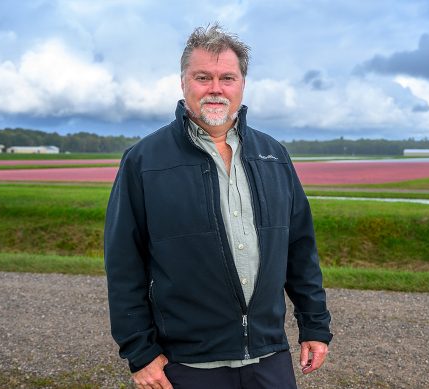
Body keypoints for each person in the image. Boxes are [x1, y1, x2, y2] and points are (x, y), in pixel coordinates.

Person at [104, 23, 333, 389]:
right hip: (188, 364)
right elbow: (123, 262)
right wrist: (140, 352)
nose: (215, 88)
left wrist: (315, 326)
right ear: (183, 82)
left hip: (269, 356)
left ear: (242, 84)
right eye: (202, 77)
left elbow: (300, 249)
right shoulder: (143, 161)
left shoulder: (273, 155)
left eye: (227, 77)